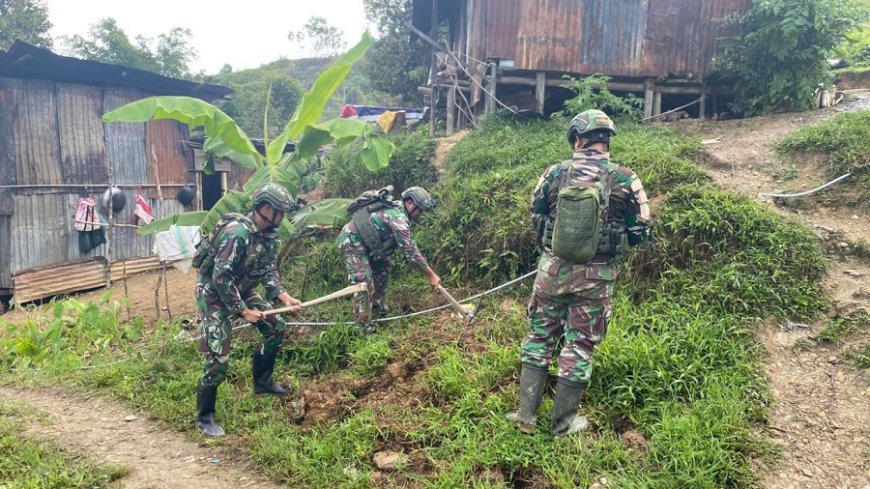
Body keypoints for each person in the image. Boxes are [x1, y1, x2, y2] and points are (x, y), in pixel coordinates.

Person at [507, 109, 651, 436]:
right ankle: (563, 423)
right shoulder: (625, 177)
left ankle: (526, 417)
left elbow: (536, 215)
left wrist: (551, 249)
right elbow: (642, 228)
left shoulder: (555, 172)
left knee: (540, 336)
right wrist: (615, 244)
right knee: (580, 344)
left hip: (551, 270)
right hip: (596, 278)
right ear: (606, 140)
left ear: (577, 139)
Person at [193, 183, 304, 438]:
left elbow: (267, 270)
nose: (282, 217)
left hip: (242, 289)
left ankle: (263, 382)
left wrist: (283, 295)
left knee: (276, 326)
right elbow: (221, 277)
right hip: (213, 294)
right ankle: (205, 416)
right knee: (219, 355)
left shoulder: (268, 235)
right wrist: (243, 311)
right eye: (280, 212)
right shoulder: (237, 233)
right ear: (266, 209)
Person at [336, 186, 441, 333]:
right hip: (352, 242)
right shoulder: (397, 216)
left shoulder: (397, 211)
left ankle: (376, 307)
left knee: (384, 268)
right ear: (409, 203)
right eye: (420, 210)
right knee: (363, 284)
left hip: (368, 246)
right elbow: (411, 252)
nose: (421, 214)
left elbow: (409, 246)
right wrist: (431, 275)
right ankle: (364, 327)